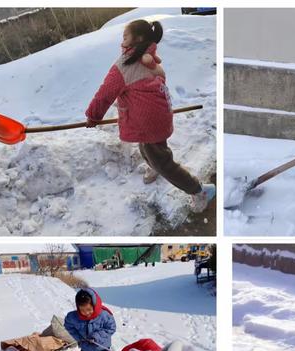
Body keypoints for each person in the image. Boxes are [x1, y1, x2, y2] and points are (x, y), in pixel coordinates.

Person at [85, 19, 215, 213]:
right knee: (147, 148)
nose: (122, 40)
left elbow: (105, 93)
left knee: (163, 161)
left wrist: (93, 116)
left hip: (148, 123)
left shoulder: (125, 65)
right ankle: (155, 165)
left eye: (125, 36)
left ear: (137, 38)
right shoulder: (151, 61)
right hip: (157, 118)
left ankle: (199, 190)